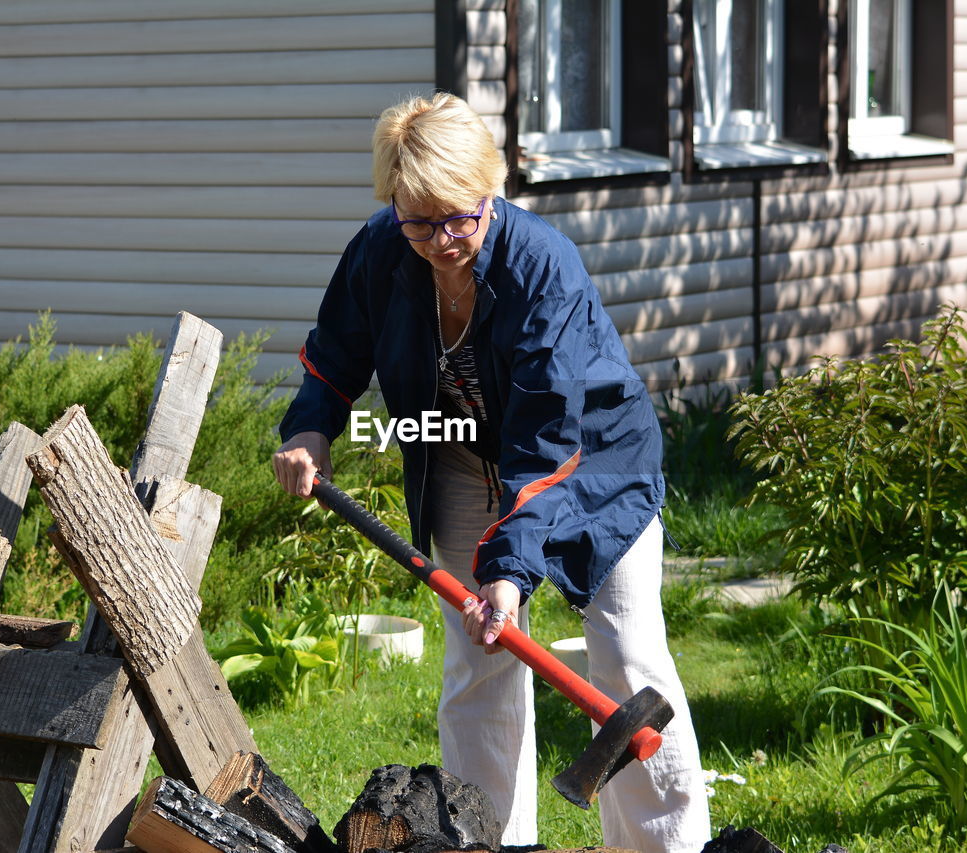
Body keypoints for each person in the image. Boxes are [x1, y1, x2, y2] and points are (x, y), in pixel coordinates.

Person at [272, 92, 711, 853]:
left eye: (461, 218)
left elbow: (545, 444)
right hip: (461, 455)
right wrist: (311, 427)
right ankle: (489, 841)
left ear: (491, 192)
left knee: (626, 652)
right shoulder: (381, 249)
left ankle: (666, 846)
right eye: (420, 219)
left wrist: (508, 572)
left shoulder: (545, 268)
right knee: (479, 660)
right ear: (394, 204)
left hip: (591, 464)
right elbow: (336, 349)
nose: (443, 238)